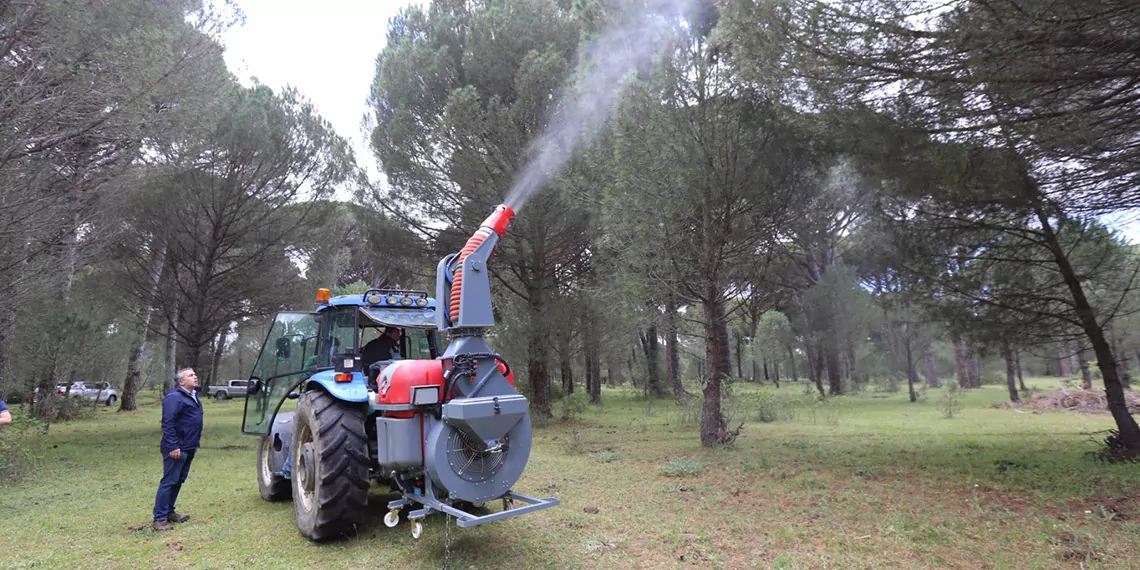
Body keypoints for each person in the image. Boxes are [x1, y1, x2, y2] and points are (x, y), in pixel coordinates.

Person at [152, 367, 203, 531]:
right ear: (181, 382)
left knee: (179, 480)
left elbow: (192, 422)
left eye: (195, 374)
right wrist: (173, 446)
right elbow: (168, 423)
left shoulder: (193, 396)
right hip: (176, 448)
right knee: (169, 481)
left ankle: (169, 512)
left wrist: (194, 444)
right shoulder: (174, 397)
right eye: (190, 375)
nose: (195, 377)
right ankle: (159, 519)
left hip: (188, 447)